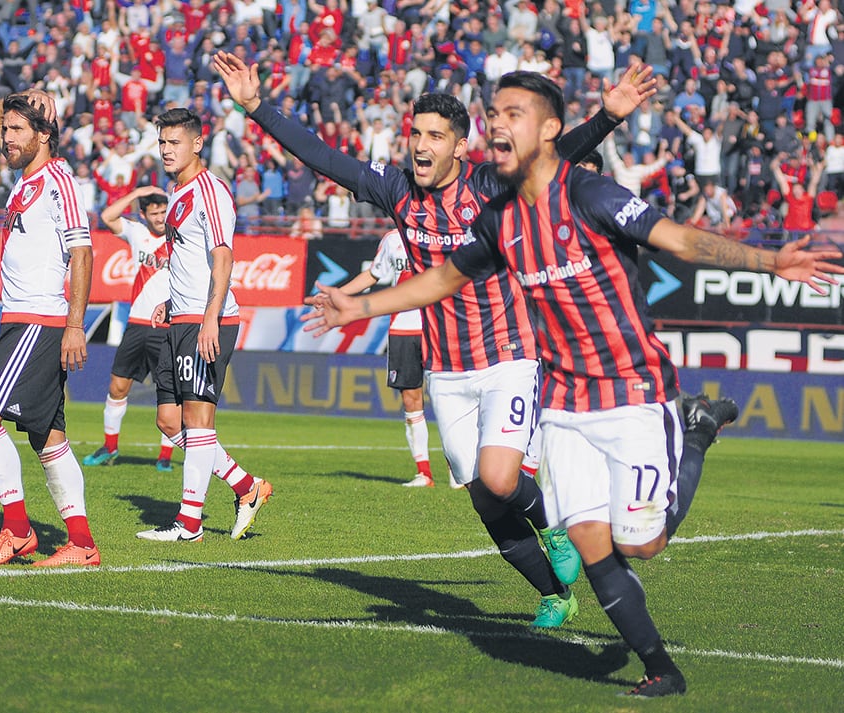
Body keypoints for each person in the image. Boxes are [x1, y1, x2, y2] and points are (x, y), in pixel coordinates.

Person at [301, 71, 844, 697]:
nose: (498, 123)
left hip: (635, 391)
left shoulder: (592, 196)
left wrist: (773, 260)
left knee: (641, 546)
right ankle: (661, 669)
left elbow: (685, 241)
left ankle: (695, 432)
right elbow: (444, 278)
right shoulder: (501, 219)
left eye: (513, 113)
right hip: (563, 401)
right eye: (495, 112)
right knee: (589, 540)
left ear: (550, 130)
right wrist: (359, 307)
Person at [215, 51, 657, 627]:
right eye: (414, 133)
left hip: (508, 356)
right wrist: (256, 107)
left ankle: (553, 525)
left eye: (434, 136)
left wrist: (609, 117)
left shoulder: (488, 187)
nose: (420, 145)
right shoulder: (397, 190)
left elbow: (557, 155)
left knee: (502, 478)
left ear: (459, 148)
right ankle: (554, 593)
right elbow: (323, 156)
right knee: (481, 495)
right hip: (444, 370)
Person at [0, 89, 100, 567]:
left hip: (37, 320)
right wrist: (18, 98)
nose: (7, 137)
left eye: (19, 129)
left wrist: (75, 325)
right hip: (21, 319)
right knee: (48, 438)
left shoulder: (58, 180)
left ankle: (17, 530)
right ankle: (81, 545)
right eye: (7, 130)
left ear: (46, 135)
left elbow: (83, 252)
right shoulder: (26, 175)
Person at [136, 107, 273, 543]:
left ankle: (189, 524)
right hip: (182, 316)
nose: (166, 150)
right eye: (162, 142)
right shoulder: (176, 194)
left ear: (197, 143)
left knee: (197, 420)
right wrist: (171, 304)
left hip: (208, 319)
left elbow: (222, 257)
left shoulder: (211, 191)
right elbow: (186, 259)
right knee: (169, 420)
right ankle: (246, 487)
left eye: (174, 142)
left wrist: (209, 317)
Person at [82, 185, 178, 473]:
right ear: (143, 214)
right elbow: (107, 216)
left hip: (166, 326)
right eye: (155, 213)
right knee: (117, 386)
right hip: (136, 323)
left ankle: (165, 456)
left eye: (164, 211)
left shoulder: (181, 237)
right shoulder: (137, 233)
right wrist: (137, 192)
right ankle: (110, 447)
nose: (161, 217)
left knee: (169, 393)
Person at [339, 228, 439, 488]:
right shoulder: (393, 238)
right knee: (411, 398)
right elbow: (373, 275)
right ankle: (424, 473)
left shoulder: (443, 230)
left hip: (438, 326)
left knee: (446, 397)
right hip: (403, 328)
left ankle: (460, 473)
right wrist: (338, 295)